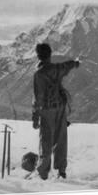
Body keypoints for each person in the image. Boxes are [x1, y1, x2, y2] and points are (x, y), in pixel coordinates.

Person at [32, 43, 79, 180]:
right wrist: (76, 63)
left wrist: (35, 118)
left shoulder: (38, 74)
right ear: (50, 54)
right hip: (60, 108)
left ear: (38, 56)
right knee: (61, 139)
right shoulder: (57, 69)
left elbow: (37, 97)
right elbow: (68, 65)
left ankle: (43, 173)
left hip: (47, 110)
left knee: (46, 141)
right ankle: (61, 171)